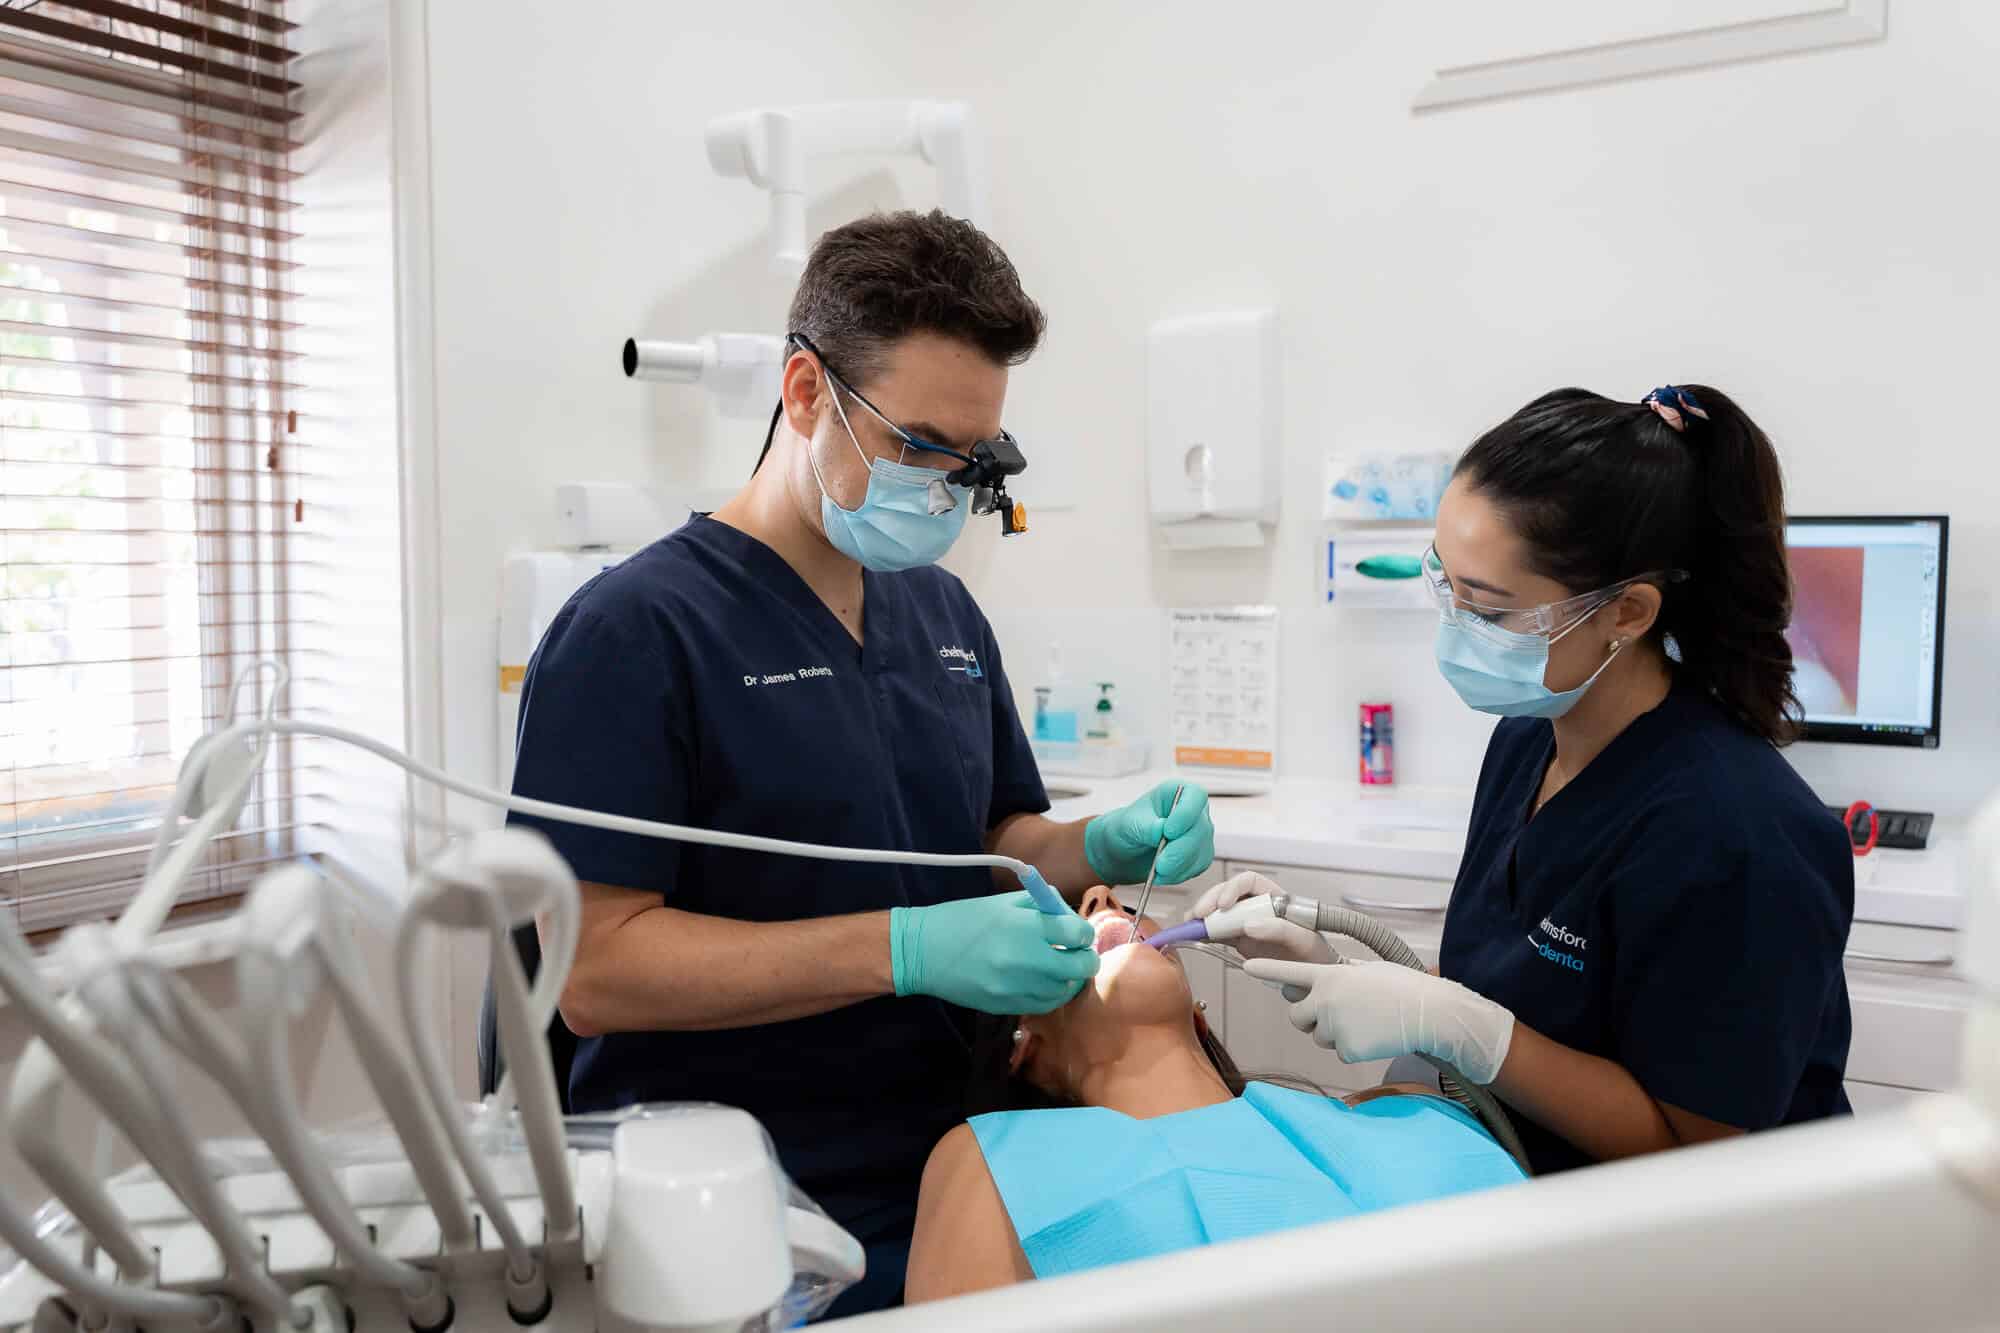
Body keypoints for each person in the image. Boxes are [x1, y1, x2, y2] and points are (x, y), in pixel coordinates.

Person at [503, 209, 1214, 1316]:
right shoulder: (634, 633)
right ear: (803, 393)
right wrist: (903, 948)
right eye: (919, 446)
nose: (944, 486)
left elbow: (990, 840)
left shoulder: (939, 610)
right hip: (739, 1203)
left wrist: (1092, 841)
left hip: (952, 1162)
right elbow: (593, 973)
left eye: (970, 458)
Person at [1209, 385, 1854, 1176]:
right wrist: (1333, 968)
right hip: (1498, 1169)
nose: (1455, 627)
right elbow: (1511, 990)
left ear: (1628, 612)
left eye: (1487, 607)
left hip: (1680, 1251)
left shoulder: (1742, 833)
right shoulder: (1526, 741)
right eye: (1444, 583)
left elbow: (1699, 1153)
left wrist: (1460, 1028)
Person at [904, 886, 1524, 1303]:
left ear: (1198, 1010)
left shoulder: (1400, 1110)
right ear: (1021, 1042)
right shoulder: (996, 1161)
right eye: (1068, 912)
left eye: (1114, 900)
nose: (1103, 897)